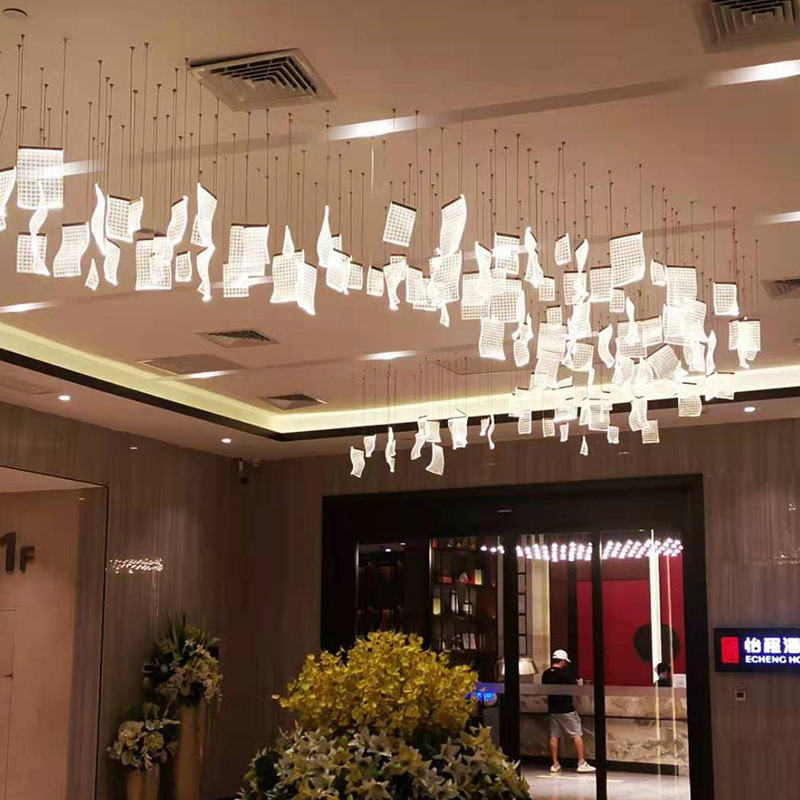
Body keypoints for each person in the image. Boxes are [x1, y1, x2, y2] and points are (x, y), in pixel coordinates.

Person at [541, 649, 595, 775]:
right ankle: (581, 762)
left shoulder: (546, 674)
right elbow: (576, 687)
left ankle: (555, 764)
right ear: (563, 661)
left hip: (553, 709)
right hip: (566, 708)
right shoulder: (566, 674)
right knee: (576, 734)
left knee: (554, 735)